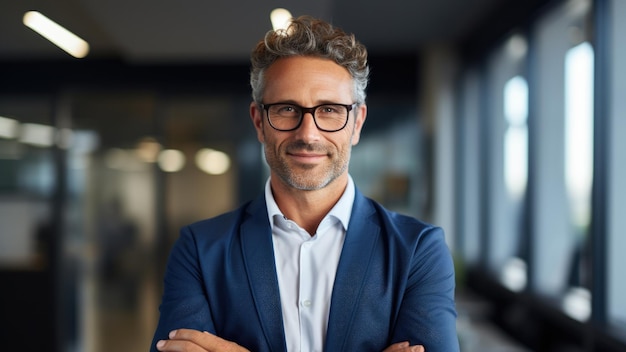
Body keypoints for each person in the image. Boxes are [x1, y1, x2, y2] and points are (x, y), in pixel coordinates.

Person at [151, 15, 459, 352]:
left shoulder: (417, 251)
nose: (307, 134)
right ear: (259, 121)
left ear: (356, 123)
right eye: (286, 109)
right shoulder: (200, 250)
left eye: (329, 109)